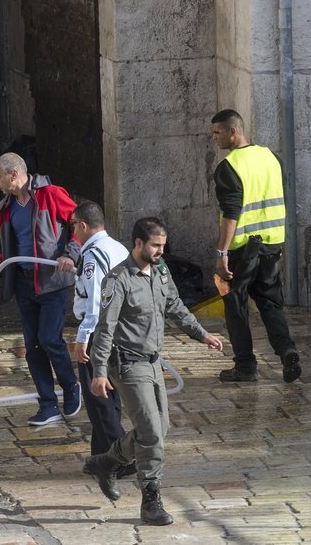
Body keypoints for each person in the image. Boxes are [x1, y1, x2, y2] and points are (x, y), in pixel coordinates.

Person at [86, 217, 224, 525]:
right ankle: (150, 499)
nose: (161, 251)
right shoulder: (118, 279)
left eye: (163, 245)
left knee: (160, 429)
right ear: (138, 244)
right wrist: (98, 371)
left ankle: (106, 462)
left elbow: (175, 307)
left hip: (152, 361)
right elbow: (105, 328)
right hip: (126, 364)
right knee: (150, 431)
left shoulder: (161, 272)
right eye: (155, 245)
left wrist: (202, 334)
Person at [0, 153, 80, 426]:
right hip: (23, 282)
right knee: (32, 346)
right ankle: (47, 404)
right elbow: (8, 252)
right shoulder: (6, 208)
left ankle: (71, 386)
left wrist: (70, 254)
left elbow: (80, 225)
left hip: (52, 280)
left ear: (13, 174)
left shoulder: (51, 195)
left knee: (49, 339)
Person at [210, 109, 301, 384]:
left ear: (233, 132)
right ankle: (287, 350)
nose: (214, 138)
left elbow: (231, 214)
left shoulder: (229, 167)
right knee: (270, 303)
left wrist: (221, 254)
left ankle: (246, 366)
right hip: (272, 244)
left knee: (235, 304)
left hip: (241, 250)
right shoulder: (272, 157)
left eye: (217, 133)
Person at [57, 200, 134, 475]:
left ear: (83, 225)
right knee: (106, 397)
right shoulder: (119, 248)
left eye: (73, 226)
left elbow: (95, 303)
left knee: (99, 400)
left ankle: (123, 459)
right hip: (121, 331)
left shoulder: (92, 256)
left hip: (99, 333)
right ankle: (100, 457)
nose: (73, 233)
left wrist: (83, 339)